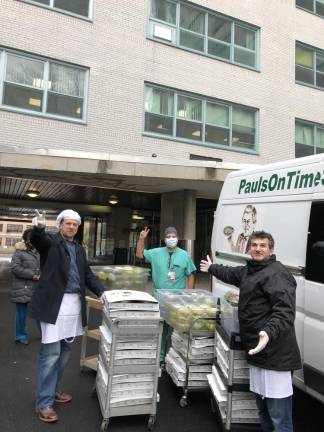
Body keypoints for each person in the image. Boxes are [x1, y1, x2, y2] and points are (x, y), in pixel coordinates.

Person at [200, 231, 301, 432]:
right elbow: (231, 274)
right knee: (263, 410)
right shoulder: (251, 270)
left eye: (263, 245)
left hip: (276, 354)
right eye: (254, 245)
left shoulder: (277, 273)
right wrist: (212, 268)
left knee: (279, 416)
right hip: (257, 351)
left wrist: (268, 332)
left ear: (271, 250)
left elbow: (284, 311)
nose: (257, 248)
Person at [29, 209, 105, 424]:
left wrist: (103, 292)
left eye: (75, 224)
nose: (71, 227)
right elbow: (38, 240)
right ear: (60, 224)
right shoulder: (51, 242)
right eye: (68, 223)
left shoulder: (79, 249)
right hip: (53, 305)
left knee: (64, 353)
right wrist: (38, 228)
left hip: (73, 305)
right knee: (51, 353)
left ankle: (53, 391)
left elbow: (88, 275)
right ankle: (43, 403)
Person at [136, 226, 196, 363]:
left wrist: (189, 294)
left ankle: (173, 360)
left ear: (178, 238)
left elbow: (191, 274)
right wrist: (141, 239)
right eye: (168, 236)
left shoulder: (184, 255)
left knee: (175, 330)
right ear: (164, 239)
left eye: (173, 236)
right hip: (159, 298)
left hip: (177, 299)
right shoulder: (156, 253)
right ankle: (160, 359)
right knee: (161, 329)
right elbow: (139, 254)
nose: (171, 239)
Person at [10, 228, 40, 345]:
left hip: (38, 287)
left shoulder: (40, 251)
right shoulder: (19, 252)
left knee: (40, 312)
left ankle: (45, 334)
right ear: (27, 240)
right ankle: (20, 335)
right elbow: (15, 268)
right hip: (23, 287)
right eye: (33, 238)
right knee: (21, 314)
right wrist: (32, 275)